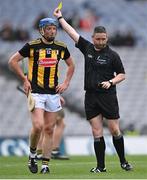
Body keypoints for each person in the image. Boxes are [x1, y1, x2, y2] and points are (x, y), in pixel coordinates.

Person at [54, 8, 133, 173]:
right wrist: (60, 18)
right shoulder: (87, 48)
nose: (101, 42)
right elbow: (72, 32)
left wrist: (111, 82)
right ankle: (100, 166)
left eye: (104, 39)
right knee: (96, 131)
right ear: (93, 38)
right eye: (98, 39)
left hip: (108, 95)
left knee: (114, 130)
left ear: (107, 38)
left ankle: (123, 161)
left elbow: (122, 75)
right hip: (91, 96)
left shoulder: (113, 55)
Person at [8, 17, 74, 174]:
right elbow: (13, 61)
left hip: (53, 94)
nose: (52, 31)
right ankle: (32, 156)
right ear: (41, 30)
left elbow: (71, 65)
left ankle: (45, 165)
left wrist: (66, 83)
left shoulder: (61, 47)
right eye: (48, 28)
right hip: (36, 93)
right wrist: (24, 79)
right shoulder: (32, 46)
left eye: (54, 28)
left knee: (49, 129)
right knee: (38, 126)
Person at [37, 96, 69, 160]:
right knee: (59, 124)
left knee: (45, 125)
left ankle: (39, 152)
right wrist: (58, 96)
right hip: (50, 96)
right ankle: (54, 151)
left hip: (40, 96)